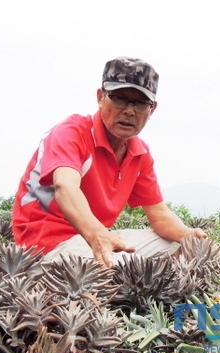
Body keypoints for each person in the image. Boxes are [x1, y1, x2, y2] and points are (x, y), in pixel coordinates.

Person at [12, 57, 207, 268]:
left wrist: (188, 236)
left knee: (181, 247)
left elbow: (159, 214)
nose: (130, 111)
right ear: (100, 97)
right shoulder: (72, 132)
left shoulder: (139, 153)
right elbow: (65, 187)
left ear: (152, 110)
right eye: (119, 99)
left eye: (140, 103)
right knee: (129, 267)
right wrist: (98, 236)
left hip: (96, 237)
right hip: (46, 242)